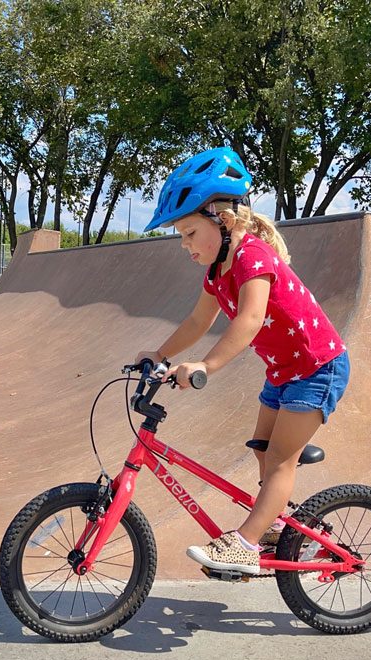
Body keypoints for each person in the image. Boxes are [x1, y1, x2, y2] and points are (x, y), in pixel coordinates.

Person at [135, 147, 350, 575]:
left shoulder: (253, 255)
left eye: (190, 232)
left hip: (317, 367)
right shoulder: (217, 272)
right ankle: (279, 524)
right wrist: (159, 355)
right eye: (181, 236)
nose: (184, 244)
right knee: (262, 450)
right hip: (283, 371)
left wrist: (205, 366)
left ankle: (246, 545)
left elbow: (250, 319)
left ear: (225, 220)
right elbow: (198, 321)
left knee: (280, 460)